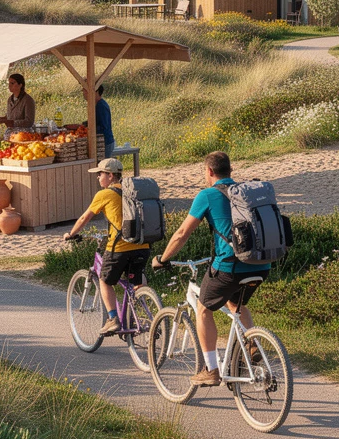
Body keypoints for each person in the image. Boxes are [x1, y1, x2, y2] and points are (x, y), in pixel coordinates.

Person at [152, 151, 269, 387]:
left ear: (209, 171)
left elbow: (182, 234)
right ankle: (252, 344)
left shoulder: (207, 195)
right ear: (231, 170)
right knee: (237, 304)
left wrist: (163, 258)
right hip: (261, 264)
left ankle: (211, 369)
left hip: (229, 266)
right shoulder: (244, 192)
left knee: (203, 309)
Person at [63, 157, 148, 335]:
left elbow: (84, 218)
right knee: (136, 280)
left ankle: (112, 319)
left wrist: (71, 234)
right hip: (143, 245)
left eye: (100, 174)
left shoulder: (104, 194)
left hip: (120, 248)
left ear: (110, 175)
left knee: (104, 280)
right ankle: (146, 310)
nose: (98, 177)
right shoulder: (133, 191)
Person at [95, 85, 115, 158]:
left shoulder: (101, 105)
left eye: (85, 91)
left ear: (96, 92)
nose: (84, 93)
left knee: (104, 166)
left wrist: (88, 129)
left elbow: (104, 126)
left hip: (106, 142)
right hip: (103, 142)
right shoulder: (98, 105)